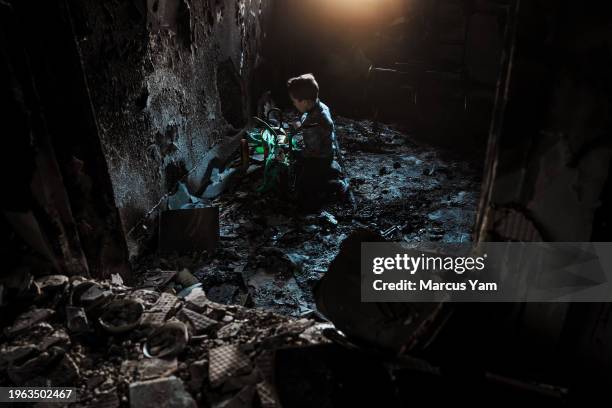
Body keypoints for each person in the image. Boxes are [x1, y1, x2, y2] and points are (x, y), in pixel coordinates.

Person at [287, 73, 345, 209]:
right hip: (326, 150)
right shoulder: (321, 107)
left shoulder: (312, 124)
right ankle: (328, 173)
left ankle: (336, 185)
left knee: (303, 191)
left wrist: (296, 152)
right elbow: (308, 117)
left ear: (305, 102)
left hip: (319, 158)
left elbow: (312, 151)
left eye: (294, 101)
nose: (293, 103)